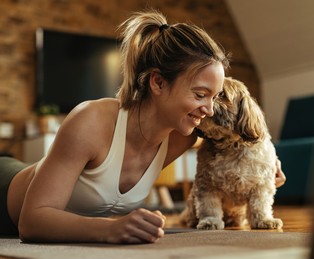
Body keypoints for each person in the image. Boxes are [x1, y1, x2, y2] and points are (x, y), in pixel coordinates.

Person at [0, 10, 286, 244]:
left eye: (214, 97)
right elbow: (32, 221)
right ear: (158, 82)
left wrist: (267, 166)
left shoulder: (185, 134)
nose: (209, 109)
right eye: (200, 95)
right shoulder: (91, 121)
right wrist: (110, 229)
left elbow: (237, 140)